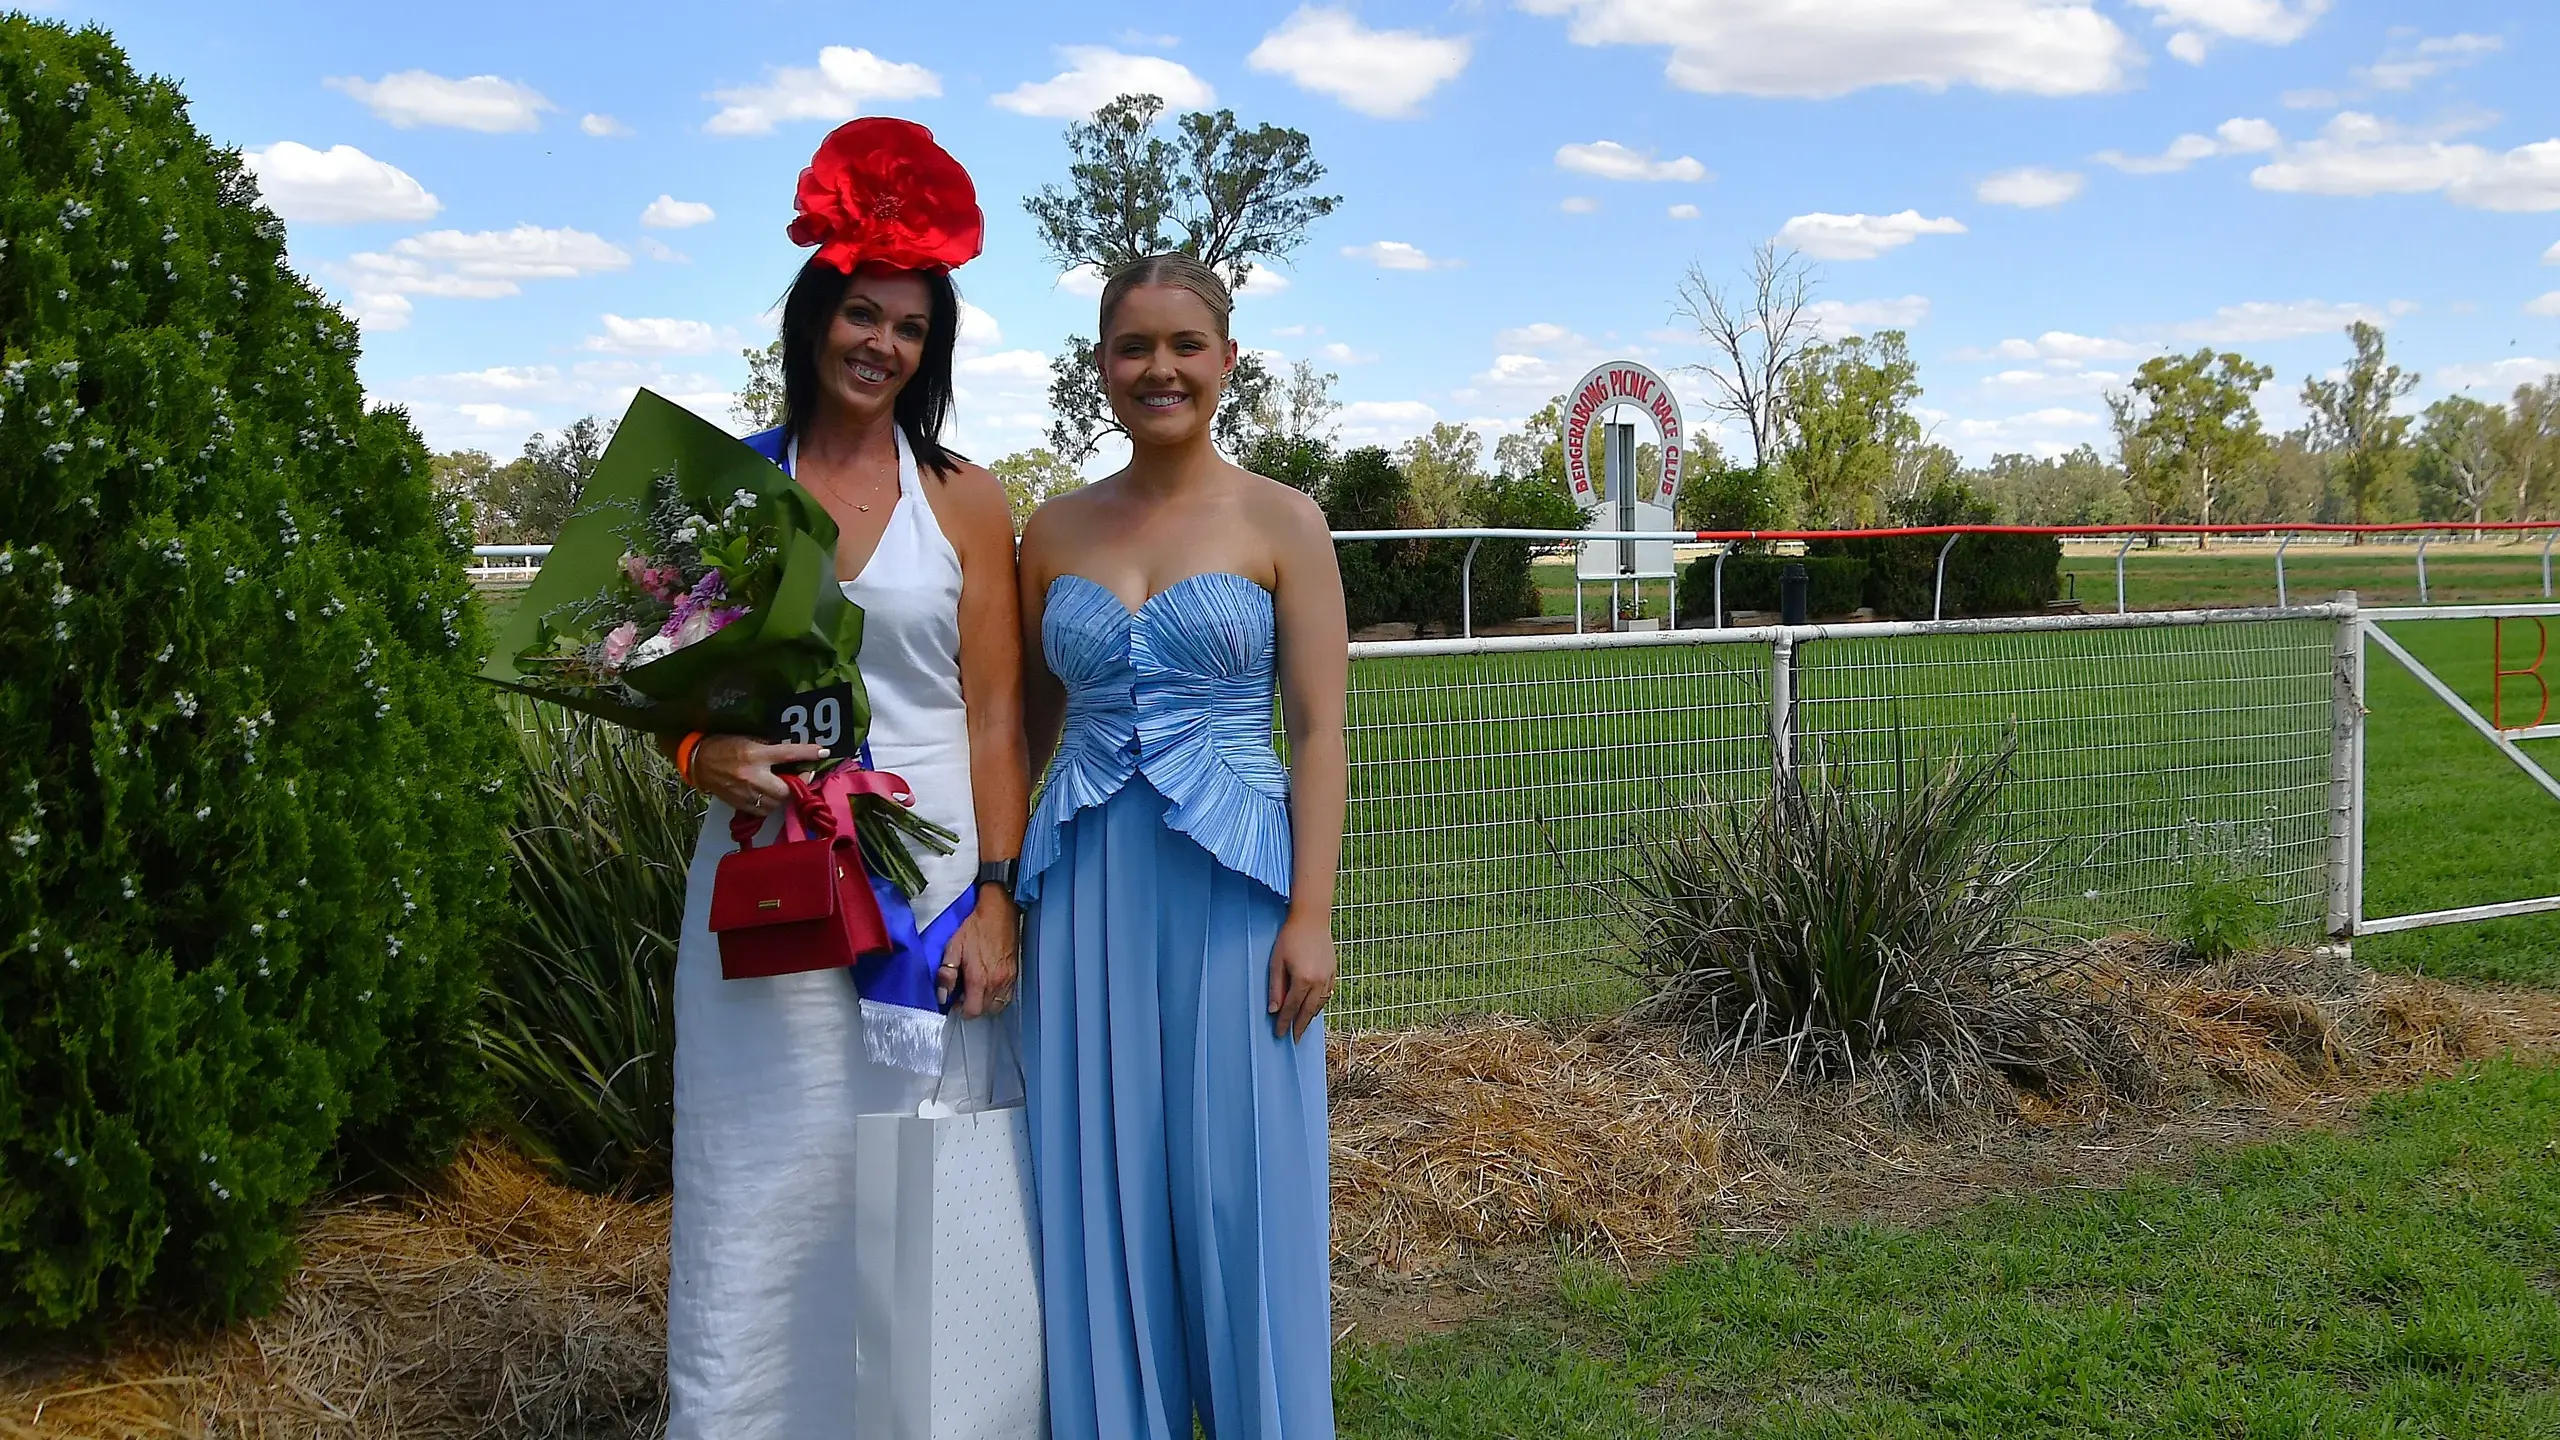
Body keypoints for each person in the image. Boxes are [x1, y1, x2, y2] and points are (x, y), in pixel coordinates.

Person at [661, 118, 1028, 1439]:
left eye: (911, 329)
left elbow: (993, 716)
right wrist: (708, 757)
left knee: (925, 1186)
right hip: (767, 893)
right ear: (817, 314)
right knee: (769, 1182)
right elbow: (664, 691)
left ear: (933, 352)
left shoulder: (967, 501)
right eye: (862, 315)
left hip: (923, 905)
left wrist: (996, 895)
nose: (882, 344)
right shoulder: (729, 491)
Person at [1015, 252, 1348, 1440]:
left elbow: (1316, 728)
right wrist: (996, 889)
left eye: (1182, 346)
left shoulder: (1282, 519)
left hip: (1237, 894)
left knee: (1238, 1188)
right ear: (1099, 367)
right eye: (1131, 348)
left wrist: (1309, 915)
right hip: (1085, 892)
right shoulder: (1050, 530)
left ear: (1227, 361)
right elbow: (1020, 731)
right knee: (1099, 1185)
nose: (1158, 369)